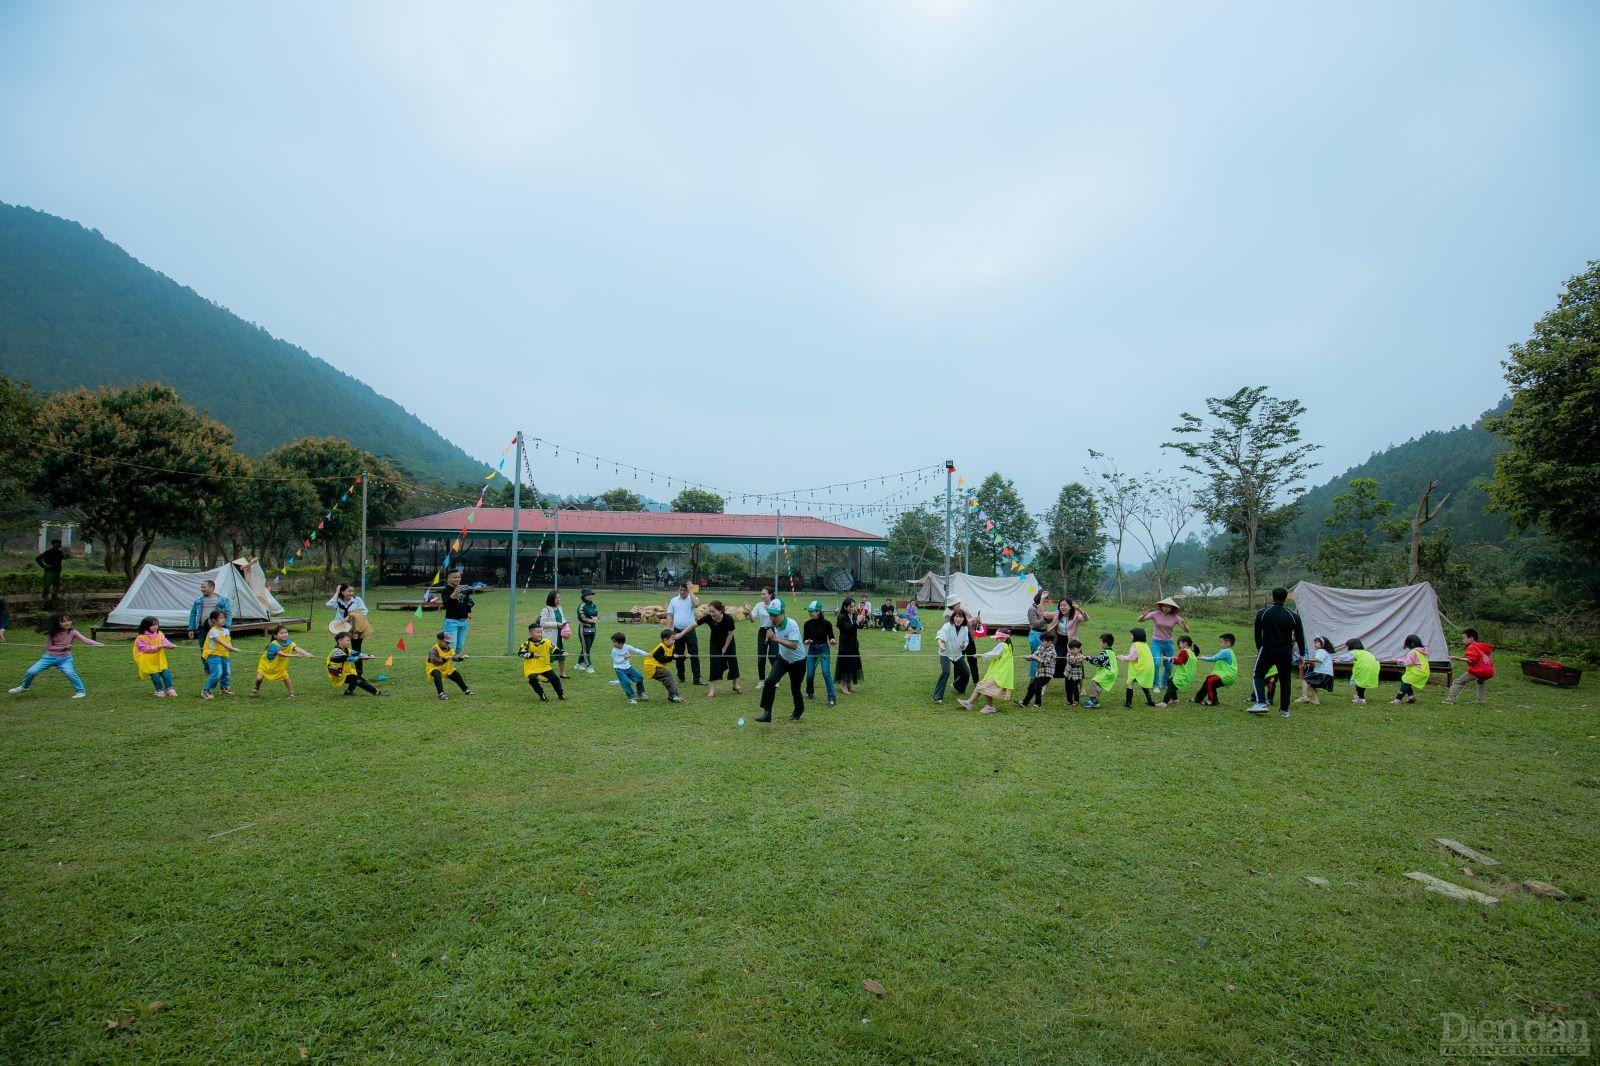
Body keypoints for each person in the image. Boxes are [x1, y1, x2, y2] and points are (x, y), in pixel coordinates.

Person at [9, 612, 101, 698]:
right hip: (49, 657)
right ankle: (24, 687)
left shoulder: (73, 632)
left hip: (65, 659)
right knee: (31, 672)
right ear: (57, 624)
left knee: (70, 673)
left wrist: (97, 644)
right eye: (64, 622)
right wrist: (63, 647)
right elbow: (49, 647)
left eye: (69, 620)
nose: (68, 623)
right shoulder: (52, 633)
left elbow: (85, 640)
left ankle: (81, 692)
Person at [1249, 587, 1307, 718]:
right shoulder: (1294, 616)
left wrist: (1260, 649)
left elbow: (1257, 635)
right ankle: (1284, 710)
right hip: (1285, 651)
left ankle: (1261, 702)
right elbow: (1300, 636)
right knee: (1285, 679)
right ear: (1286, 599)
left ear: (1272, 597)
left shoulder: (1263, 613)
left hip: (1267, 648)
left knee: (1258, 675)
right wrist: (1302, 654)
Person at [754, 599, 805, 722]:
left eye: (775, 615)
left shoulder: (792, 625)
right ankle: (767, 713)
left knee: (795, 688)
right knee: (770, 682)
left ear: (783, 613)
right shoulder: (773, 625)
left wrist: (775, 639)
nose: (773, 617)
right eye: (771, 614)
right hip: (783, 659)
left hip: (798, 661)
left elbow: (793, 645)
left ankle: (798, 711)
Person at [1139, 597, 1190, 694]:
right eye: (1164, 606)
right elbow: (1139, 620)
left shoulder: (1175, 617)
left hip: (1168, 644)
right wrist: (1143, 615)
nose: (1166, 608)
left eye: (1168, 607)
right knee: (1156, 664)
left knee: (1169, 666)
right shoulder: (1155, 614)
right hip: (1156, 643)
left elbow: (1187, 630)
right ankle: (1155, 685)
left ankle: (1164, 683)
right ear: (1161, 606)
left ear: (1172, 608)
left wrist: (1185, 625)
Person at [959, 629, 1015, 715]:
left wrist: (981, 655)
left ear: (1003, 639)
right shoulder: (1008, 646)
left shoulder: (1002, 645)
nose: (996, 640)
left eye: (998, 638)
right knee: (981, 686)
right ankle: (970, 703)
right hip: (999, 672)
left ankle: (988, 706)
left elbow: (994, 654)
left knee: (983, 686)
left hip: (999, 673)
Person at [252, 624, 312, 697]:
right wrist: (294, 655)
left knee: (286, 677)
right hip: (267, 665)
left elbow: (297, 649)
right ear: (275, 636)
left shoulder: (290, 643)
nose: (284, 634)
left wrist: (307, 653)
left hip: (279, 666)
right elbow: (281, 654)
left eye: (286, 633)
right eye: (281, 633)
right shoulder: (274, 644)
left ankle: (291, 693)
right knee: (259, 678)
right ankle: (256, 688)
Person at [326, 583, 373, 676]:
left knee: (356, 650)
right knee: (341, 651)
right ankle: (341, 671)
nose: (351, 593)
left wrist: (352, 616)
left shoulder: (357, 600)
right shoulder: (338, 600)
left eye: (352, 591)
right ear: (342, 592)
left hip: (356, 628)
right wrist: (336, 592)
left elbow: (364, 611)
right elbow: (329, 604)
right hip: (341, 629)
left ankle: (359, 673)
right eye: (349, 591)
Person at [187, 579, 233, 674]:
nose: (202, 589)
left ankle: (220, 667)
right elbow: (193, 614)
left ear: (212, 587)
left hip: (217, 629)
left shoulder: (223, 600)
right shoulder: (199, 601)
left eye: (204, 587)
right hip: (203, 629)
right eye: (201, 587)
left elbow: (228, 613)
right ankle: (208, 668)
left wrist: (227, 626)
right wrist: (191, 628)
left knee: (219, 648)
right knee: (204, 648)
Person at [665, 582, 702, 686]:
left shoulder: (692, 598)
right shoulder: (673, 600)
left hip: (690, 631)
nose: (682, 592)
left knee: (694, 654)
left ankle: (697, 679)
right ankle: (681, 677)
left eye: (684, 590)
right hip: (676, 631)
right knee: (678, 655)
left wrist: (691, 590)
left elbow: (696, 604)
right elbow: (670, 615)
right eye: (680, 589)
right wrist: (668, 630)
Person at [1445, 629, 1495, 705]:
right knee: (1480, 682)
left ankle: (1450, 700)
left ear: (1471, 638)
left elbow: (1471, 660)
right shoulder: (1481, 647)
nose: (1462, 640)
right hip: (1489, 671)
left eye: (1463, 638)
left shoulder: (1472, 647)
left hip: (1478, 671)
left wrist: (1456, 658)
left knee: (1458, 682)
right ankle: (1481, 700)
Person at [327, 631, 384, 697]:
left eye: (349, 640)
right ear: (340, 641)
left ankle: (349, 691)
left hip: (346, 672)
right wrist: (361, 658)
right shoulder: (336, 652)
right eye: (347, 640)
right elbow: (348, 658)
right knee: (359, 680)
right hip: (338, 675)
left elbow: (357, 653)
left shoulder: (347, 650)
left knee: (358, 673)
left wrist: (368, 655)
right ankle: (376, 692)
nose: (349, 642)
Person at [518, 622, 565, 701]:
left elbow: (554, 649)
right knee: (532, 679)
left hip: (544, 666)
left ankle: (561, 694)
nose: (540, 634)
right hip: (531, 668)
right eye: (537, 632)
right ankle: (541, 694)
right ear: (531, 633)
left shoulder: (546, 641)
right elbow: (521, 654)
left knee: (555, 679)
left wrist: (562, 653)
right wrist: (532, 655)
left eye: (541, 632)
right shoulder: (526, 644)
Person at [801, 600, 836, 706]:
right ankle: (810, 693)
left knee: (826, 673)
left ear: (818, 611)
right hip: (812, 650)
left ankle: (831, 698)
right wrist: (807, 641)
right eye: (809, 611)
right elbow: (805, 639)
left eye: (811, 611)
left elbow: (831, 636)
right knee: (810, 675)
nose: (809, 613)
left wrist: (832, 640)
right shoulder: (807, 624)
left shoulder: (827, 624)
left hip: (824, 650)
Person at [132, 615, 177, 697]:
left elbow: (164, 641)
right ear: (146, 626)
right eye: (153, 625)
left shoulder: (160, 634)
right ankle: (159, 691)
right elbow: (145, 649)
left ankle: (170, 690)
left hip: (159, 659)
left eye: (157, 624)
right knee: (155, 675)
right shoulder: (141, 638)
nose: (156, 626)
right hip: (148, 661)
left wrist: (169, 645)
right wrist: (158, 647)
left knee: (166, 673)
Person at [933, 606, 970, 703]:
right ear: (953, 617)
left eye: (961, 617)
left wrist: (963, 646)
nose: (958, 619)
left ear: (963, 618)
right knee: (946, 672)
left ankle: (958, 687)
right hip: (945, 653)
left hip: (957, 654)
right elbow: (939, 636)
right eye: (956, 617)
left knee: (966, 673)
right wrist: (941, 645)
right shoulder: (947, 626)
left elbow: (966, 641)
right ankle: (937, 697)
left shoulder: (965, 628)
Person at [1050, 596, 1090, 687]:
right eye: (1061, 605)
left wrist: (1078, 608)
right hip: (1059, 641)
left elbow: (1086, 618)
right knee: (1056, 660)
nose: (1062, 607)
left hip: (1073, 643)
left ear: (1070, 606)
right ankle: (1045, 687)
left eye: (1064, 605)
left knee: (1077, 663)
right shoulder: (1057, 614)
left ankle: (1081, 687)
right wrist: (1041, 601)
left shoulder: (1075, 615)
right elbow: (1044, 614)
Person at [640, 629, 687, 702]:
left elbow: (673, 653)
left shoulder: (671, 645)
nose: (674, 641)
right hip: (651, 667)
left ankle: (674, 694)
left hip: (658, 666)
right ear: (665, 640)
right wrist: (672, 657)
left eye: (674, 639)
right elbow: (661, 659)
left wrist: (683, 656)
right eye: (672, 639)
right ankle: (673, 695)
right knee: (667, 675)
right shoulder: (660, 648)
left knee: (667, 677)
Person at [199, 609, 236, 699]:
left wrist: (230, 648)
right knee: (217, 673)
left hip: (224, 655)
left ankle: (224, 688)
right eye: (221, 618)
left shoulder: (226, 630)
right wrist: (232, 649)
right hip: (213, 655)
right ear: (214, 620)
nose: (224, 620)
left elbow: (228, 642)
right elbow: (220, 642)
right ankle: (206, 690)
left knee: (227, 672)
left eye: (224, 618)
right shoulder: (213, 631)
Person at [436, 571, 475, 655]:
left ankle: (450, 664)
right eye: (454, 577)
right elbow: (446, 605)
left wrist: (469, 612)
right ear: (448, 579)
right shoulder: (445, 590)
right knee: (451, 646)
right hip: (451, 622)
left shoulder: (464, 589)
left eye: (459, 577)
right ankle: (451, 667)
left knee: (459, 646)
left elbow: (468, 602)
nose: (457, 579)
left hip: (464, 622)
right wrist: (454, 593)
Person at [425, 630, 472, 700]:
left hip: (446, 667)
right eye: (446, 641)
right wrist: (445, 659)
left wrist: (461, 657)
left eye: (449, 641)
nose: (448, 643)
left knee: (457, 676)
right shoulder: (433, 650)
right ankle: (441, 694)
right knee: (437, 675)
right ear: (439, 641)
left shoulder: (450, 648)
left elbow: (454, 657)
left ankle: (466, 690)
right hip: (434, 668)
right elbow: (434, 661)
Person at [1119, 626, 1157, 708]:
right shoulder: (1145, 645)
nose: (1130, 636)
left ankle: (1128, 704)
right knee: (1143, 683)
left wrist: (1121, 657)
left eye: (1132, 635)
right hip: (1148, 667)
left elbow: (1132, 658)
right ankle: (1150, 701)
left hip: (1140, 668)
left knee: (1130, 683)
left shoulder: (1135, 645)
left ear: (1136, 636)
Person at [1195, 634, 1238, 706]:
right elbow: (1216, 658)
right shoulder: (1228, 651)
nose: (1220, 644)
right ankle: (1198, 698)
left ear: (1228, 643)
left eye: (1221, 642)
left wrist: (1202, 658)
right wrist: (1205, 657)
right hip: (1226, 675)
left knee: (1210, 681)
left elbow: (1214, 658)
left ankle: (1213, 701)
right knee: (1209, 680)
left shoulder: (1225, 651)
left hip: (1228, 676)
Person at [1157, 634, 1198, 708]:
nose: (1179, 645)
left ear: (1185, 643)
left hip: (1182, 676)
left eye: (1180, 643)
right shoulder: (1192, 652)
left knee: (1171, 687)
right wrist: (1172, 658)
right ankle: (1175, 699)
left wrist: (1168, 659)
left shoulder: (1184, 651)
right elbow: (1184, 660)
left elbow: (1179, 661)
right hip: (1187, 675)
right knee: (1169, 682)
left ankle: (1164, 702)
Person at [538, 591, 571, 680]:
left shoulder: (560, 608)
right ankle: (544, 675)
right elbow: (543, 623)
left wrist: (566, 626)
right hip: (550, 637)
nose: (558, 600)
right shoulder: (546, 609)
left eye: (559, 598)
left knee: (562, 653)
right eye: (556, 598)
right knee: (548, 656)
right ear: (551, 599)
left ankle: (562, 673)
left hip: (559, 636)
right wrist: (556, 624)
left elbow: (562, 618)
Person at [744, 587, 775, 680]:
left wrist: (769, 609)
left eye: (764, 594)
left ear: (770, 595)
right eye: (761, 594)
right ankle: (761, 681)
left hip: (774, 631)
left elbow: (778, 618)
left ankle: (775, 679)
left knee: (773, 657)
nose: (762, 596)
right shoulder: (759, 605)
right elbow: (752, 620)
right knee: (761, 657)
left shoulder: (775, 604)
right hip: (762, 632)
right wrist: (749, 611)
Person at [610, 632, 650, 704]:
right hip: (619, 669)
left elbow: (636, 650)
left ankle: (640, 693)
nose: (613, 644)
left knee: (639, 677)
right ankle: (631, 698)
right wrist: (625, 658)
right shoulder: (614, 651)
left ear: (621, 643)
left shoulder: (627, 647)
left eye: (614, 642)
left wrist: (646, 654)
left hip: (628, 668)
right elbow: (616, 661)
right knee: (626, 682)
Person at [834, 597, 863, 694]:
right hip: (845, 644)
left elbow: (858, 627)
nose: (853, 609)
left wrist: (861, 620)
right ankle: (843, 685)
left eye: (854, 607)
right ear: (845, 607)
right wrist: (857, 622)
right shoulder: (841, 617)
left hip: (853, 643)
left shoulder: (854, 614)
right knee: (845, 664)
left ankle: (849, 684)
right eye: (851, 607)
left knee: (853, 664)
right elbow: (849, 630)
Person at [1019, 631, 1055, 707]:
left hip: (1046, 673)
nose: (1042, 643)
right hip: (1039, 672)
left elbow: (1046, 662)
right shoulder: (1041, 647)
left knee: (1037, 686)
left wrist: (1036, 658)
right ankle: (1025, 702)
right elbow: (1035, 655)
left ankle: (1038, 703)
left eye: (1043, 641)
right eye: (1042, 641)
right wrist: (1028, 657)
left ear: (1050, 642)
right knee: (1031, 686)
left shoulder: (1052, 652)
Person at [1082, 633, 1118, 709]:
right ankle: (1094, 699)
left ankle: (1094, 701)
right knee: (1097, 683)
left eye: (1101, 642)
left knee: (1094, 682)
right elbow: (1101, 661)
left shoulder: (1105, 653)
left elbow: (1098, 662)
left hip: (1108, 672)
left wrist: (1088, 658)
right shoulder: (1110, 652)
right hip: (1112, 672)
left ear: (1105, 643)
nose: (1100, 644)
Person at [1391, 634, 1430, 704]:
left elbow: (1408, 663)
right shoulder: (1421, 651)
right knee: (1404, 679)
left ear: (1411, 644)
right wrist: (1399, 659)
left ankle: (1397, 700)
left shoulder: (1413, 652)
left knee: (1405, 683)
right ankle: (1411, 697)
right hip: (1423, 671)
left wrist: (1398, 662)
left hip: (1417, 672)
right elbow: (1412, 660)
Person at [1341, 638, 1381, 703]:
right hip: (1374, 667)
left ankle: (1361, 698)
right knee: (1362, 682)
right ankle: (1359, 695)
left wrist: (1339, 659)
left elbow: (1345, 658)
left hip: (1363, 668)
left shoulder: (1354, 652)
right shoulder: (1366, 652)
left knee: (1358, 682)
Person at [1297, 635, 1336, 705]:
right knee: (1311, 684)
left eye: (1317, 643)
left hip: (1322, 673)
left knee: (1306, 679)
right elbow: (1317, 662)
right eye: (1314, 643)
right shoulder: (1325, 652)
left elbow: (1317, 660)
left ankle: (1304, 697)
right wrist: (1307, 664)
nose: (1315, 644)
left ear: (1322, 644)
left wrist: (1304, 660)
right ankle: (1316, 700)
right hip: (1328, 674)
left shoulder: (1320, 650)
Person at [1026, 591, 1051, 679]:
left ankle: (1042, 676)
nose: (1046, 602)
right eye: (1044, 599)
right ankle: (1033, 677)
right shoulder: (1031, 609)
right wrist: (1044, 619)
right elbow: (1035, 623)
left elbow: (1046, 618)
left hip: (1044, 633)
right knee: (1035, 656)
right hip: (1035, 633)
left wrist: (1048, 619)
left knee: (1044, 656)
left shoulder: (1043, 607)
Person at [575, 588, 600, 673]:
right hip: (584, 628)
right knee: (586, 648)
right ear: (584, 596)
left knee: (587, 647)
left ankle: (578, 664)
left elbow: (597, 614)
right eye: (588, 595)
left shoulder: (593, 605)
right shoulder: (582, 605)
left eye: (590, 595)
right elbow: (581, 616)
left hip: (592, 628)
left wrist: (596, 618)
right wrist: (590, 620)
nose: (590, 596)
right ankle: (589, 666)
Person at [1062, 639, 1086, 706]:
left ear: (1079, 649)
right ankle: (1069, 701)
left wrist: (1085, 657)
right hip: (1068, 675)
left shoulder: (1080, 655)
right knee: (1068, 688)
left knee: (1074, 688)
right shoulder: (1069, 654)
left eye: (1074, 649)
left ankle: (1076, 701)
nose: (1072, 650)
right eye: (1071, 649)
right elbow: (1071, 660)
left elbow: (1081, 658)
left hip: (1076, 676)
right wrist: (1077, 658)